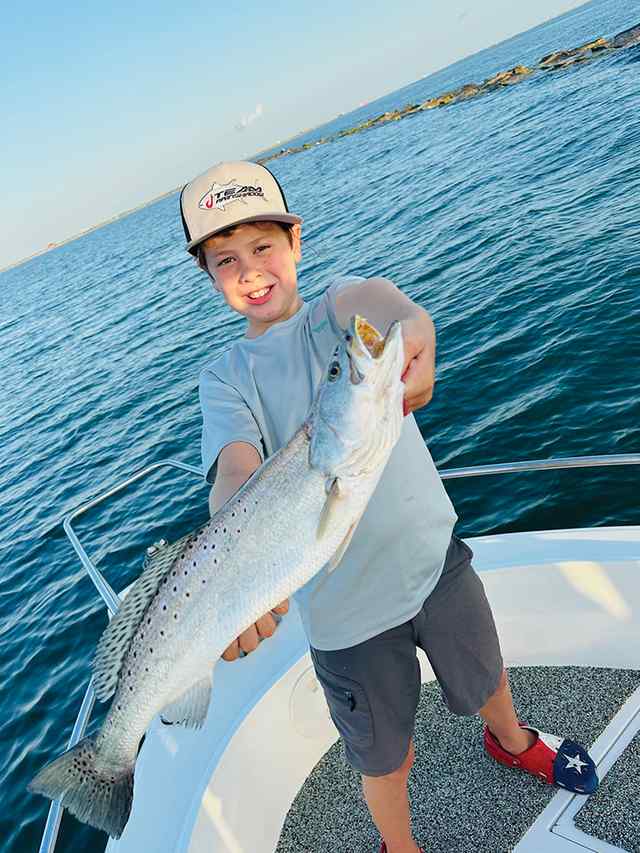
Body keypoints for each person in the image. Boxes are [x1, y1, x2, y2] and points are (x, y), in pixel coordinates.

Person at [178, 160, 598, 853]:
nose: (251, 271)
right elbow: (234, 467)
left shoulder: (337, 311)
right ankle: (398, 846)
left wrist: (415, 327)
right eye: (226, 260)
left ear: (296, 242)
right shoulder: (225, 377)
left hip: (435, 558)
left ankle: (512, 739)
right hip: (346, 618)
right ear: (210, 276)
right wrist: (235, 536)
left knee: (487, 672)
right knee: (384, 755)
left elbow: (386, 308)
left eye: (263, 247)